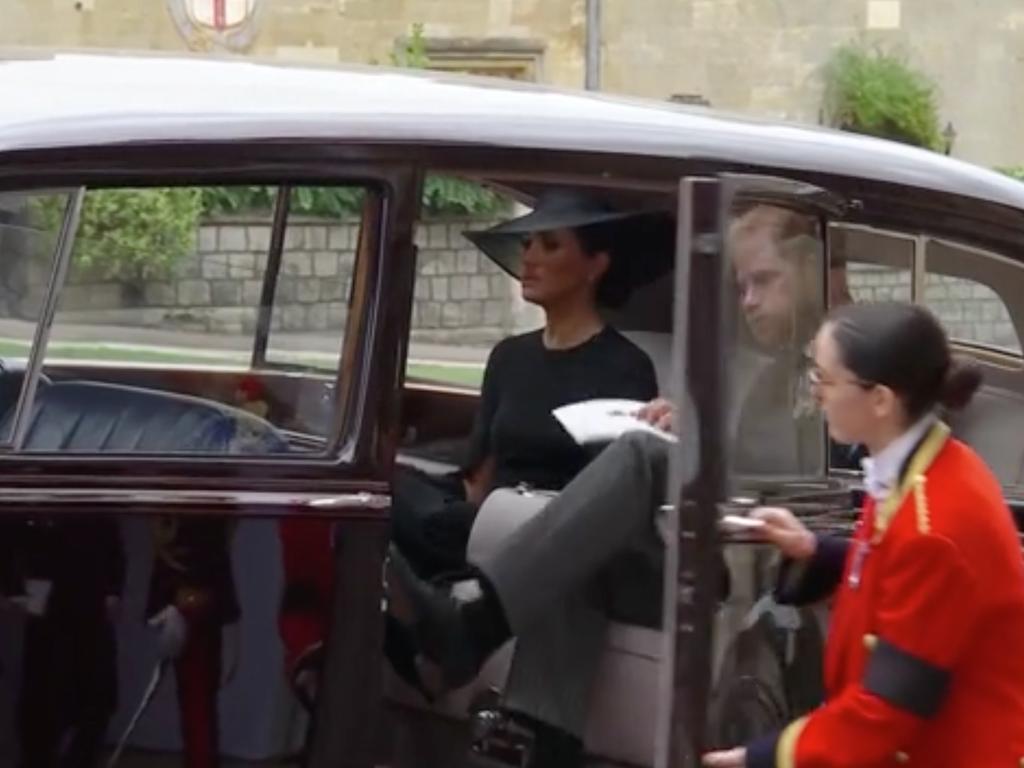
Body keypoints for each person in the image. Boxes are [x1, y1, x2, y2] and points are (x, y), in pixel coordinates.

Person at [386, 202, 827, 767]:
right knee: (575, 550)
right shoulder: (766, 373)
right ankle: (539, 742)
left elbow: (818, 505)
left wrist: (692, 450)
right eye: (741, 286)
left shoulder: (843, 373)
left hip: (739, 574)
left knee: (636, 457)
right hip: (693, 541)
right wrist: (688, 433)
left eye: (763, 281)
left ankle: (471, 625)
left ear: (812, 275)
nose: (749, 302)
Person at [703, 302, 1024, 767]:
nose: (816, 395)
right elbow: (895, 568)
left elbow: (885, 712)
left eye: (825, 381)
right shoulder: (920, 465)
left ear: (881, 400)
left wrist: (758, 757)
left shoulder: (934, 525)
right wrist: (815, 548)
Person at [390, 189, 662, 580]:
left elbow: (610, 496)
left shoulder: (626, 367)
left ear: (594, 265)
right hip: (484, 521)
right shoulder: (509, 356)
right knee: (383, 487)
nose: (529, 258)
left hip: (550, 535)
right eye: (528, 243)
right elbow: (480, 476)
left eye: (550, 246)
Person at [0, 515, 124, 768]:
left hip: (88, 598)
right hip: (45, 599)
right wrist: (11, 587)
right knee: (41, 696)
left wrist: (113, 587)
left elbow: (111, 537)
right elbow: (9, 532)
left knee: (95, 697)